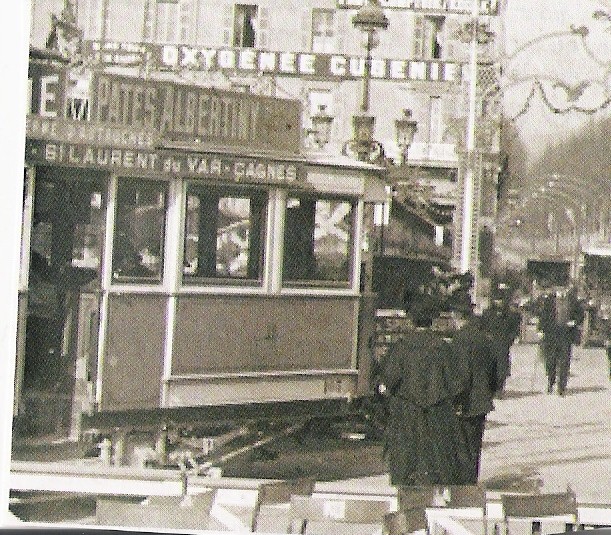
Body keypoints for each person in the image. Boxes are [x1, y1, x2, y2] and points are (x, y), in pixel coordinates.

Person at [379, 311, 468, 486]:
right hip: (437, 412)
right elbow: (456, 383)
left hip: (407, 412)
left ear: (412, 322)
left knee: (406, 459)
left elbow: (389, 380)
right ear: (432, 322)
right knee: (438, 461)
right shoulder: (443, 347)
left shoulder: (402, 346)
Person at [451, 313, 501, 484]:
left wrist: (456, 399)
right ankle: (471, 481)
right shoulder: (485, 339)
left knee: (461, 445)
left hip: (465, 402)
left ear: (457, 317)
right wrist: (490, 391)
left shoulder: (460, 339)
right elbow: (496, 371)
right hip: (481, 401)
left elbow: (462, 374)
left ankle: (463, 487)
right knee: (474, 446)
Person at [537, 285, 584, 396]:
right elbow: (543, 315)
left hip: (566, 334)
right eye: (558, 289)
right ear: (555, 289)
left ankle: (561, 387)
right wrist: (540, 329)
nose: (561, 291)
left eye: (563, 288)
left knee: (564, 361)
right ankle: (551, 381)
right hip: (551, 334)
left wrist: (574, 322)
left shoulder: (572, 300)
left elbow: (580, 314)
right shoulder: (548, 300)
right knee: (550, 361)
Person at [480, 296, 521, 393]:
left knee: (502, 367)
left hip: (503, 343)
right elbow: (482, 327)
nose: (499, 302)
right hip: (490, 344)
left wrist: (509, 340)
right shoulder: (487, 313)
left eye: (501, 299)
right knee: (489, 366)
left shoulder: (510, 314)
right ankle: (490, 387)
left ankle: (499, 387)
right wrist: (485, 337)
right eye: (497, 299)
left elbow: (514, 329)